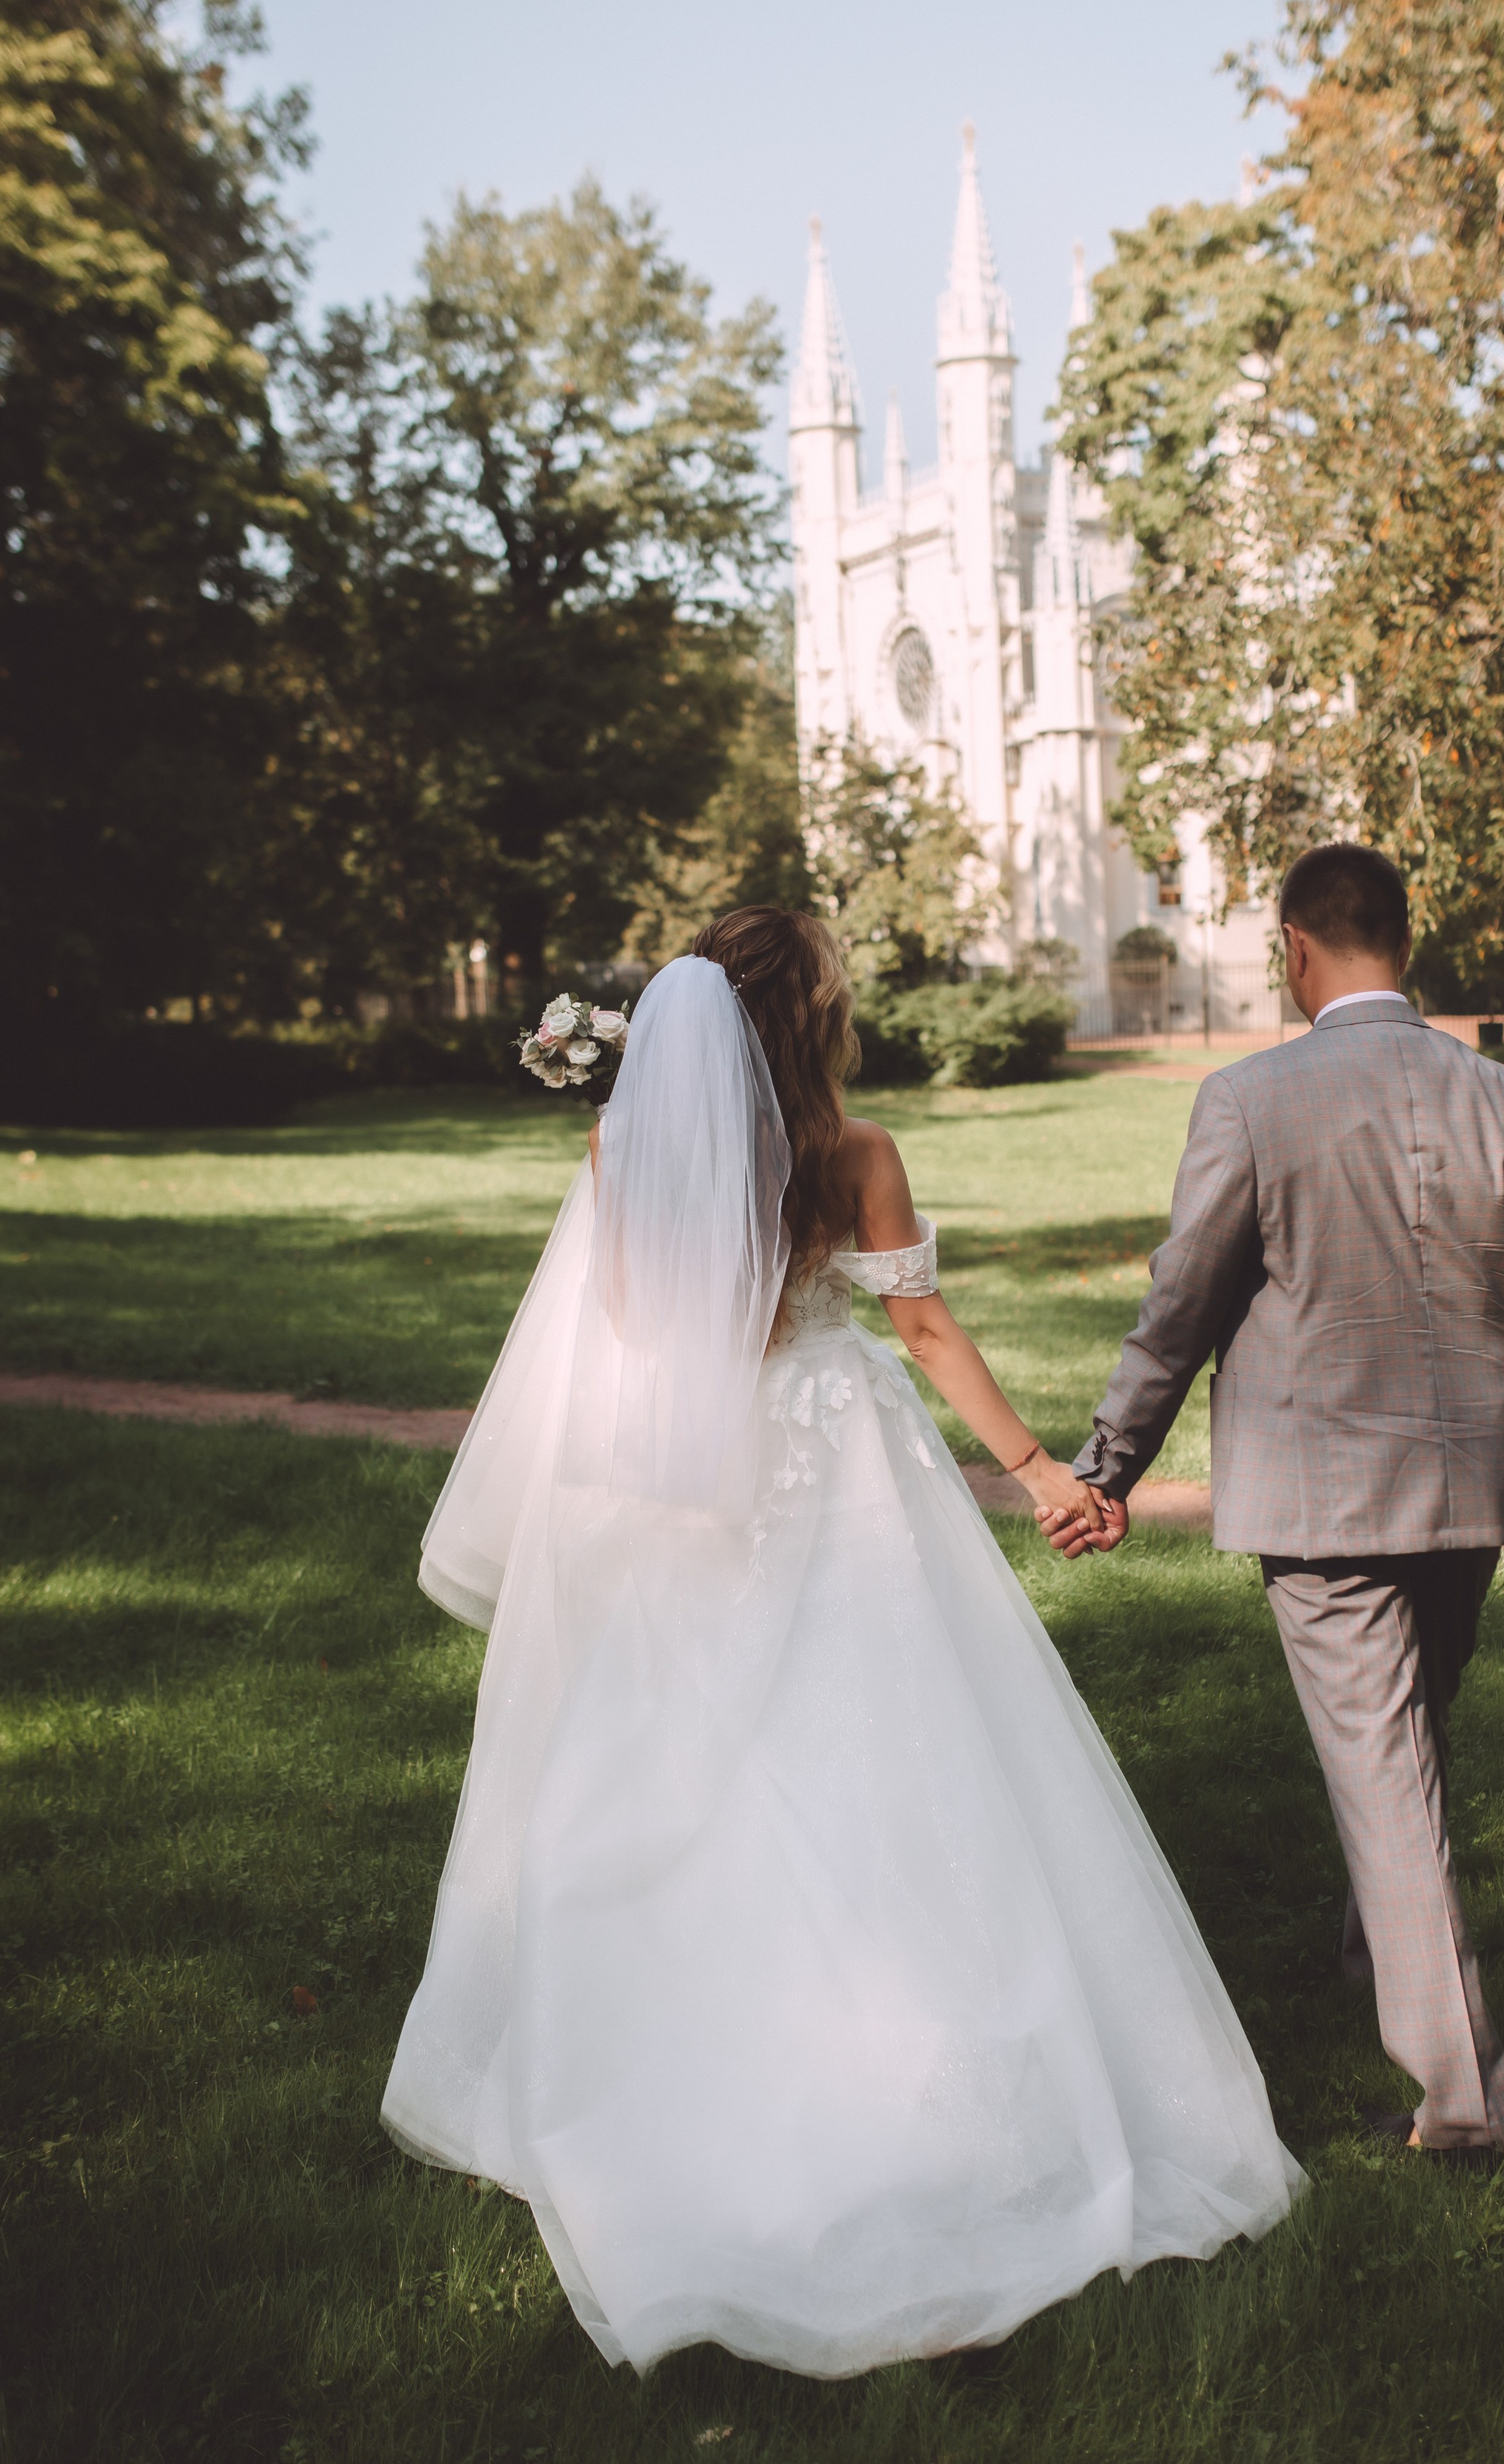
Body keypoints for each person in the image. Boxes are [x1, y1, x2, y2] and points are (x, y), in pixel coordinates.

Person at [382, 908, 1301, 2377]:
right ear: (806, 1014)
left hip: (688, 1475)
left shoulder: (623, 1149)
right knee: (885, 1742)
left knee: (690, 1755)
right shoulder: (855, 1154)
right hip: (836, 1454)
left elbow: (627, 1327)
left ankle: (685, 2053)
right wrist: (1041, 1473)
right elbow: (922, 1332)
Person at [1045, 845, 1504, 2166]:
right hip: (1471, 1495)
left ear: (1295, 948)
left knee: (1388, 1779)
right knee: (1402, 1761)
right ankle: (1387, 1969)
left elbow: (1180, 1305)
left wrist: (1108, 1463)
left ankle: (1463, 2109)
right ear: (1403, 944)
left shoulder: (1249, 1100)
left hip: (1324, 1508)